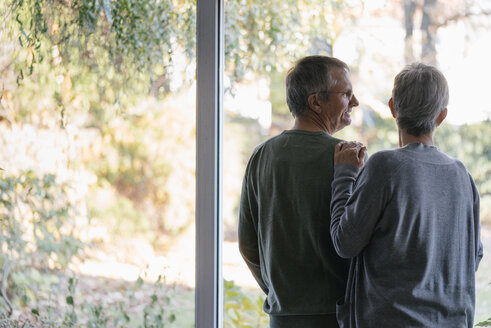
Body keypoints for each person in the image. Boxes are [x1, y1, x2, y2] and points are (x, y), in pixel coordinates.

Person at [330, 63, 483, 327]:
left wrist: (344, 174)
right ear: (442, 116)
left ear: (392, 107)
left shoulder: (385, 166)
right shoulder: (463, 176)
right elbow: (474, 256)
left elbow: (345, 243)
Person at [238, 55, 360, 327]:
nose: (355, 102)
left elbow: (247, 245)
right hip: (337, 317)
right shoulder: (349, 158)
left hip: (281, 317)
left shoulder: (261, 156)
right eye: (346, 94)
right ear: (315, 101)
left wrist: (278, 292)